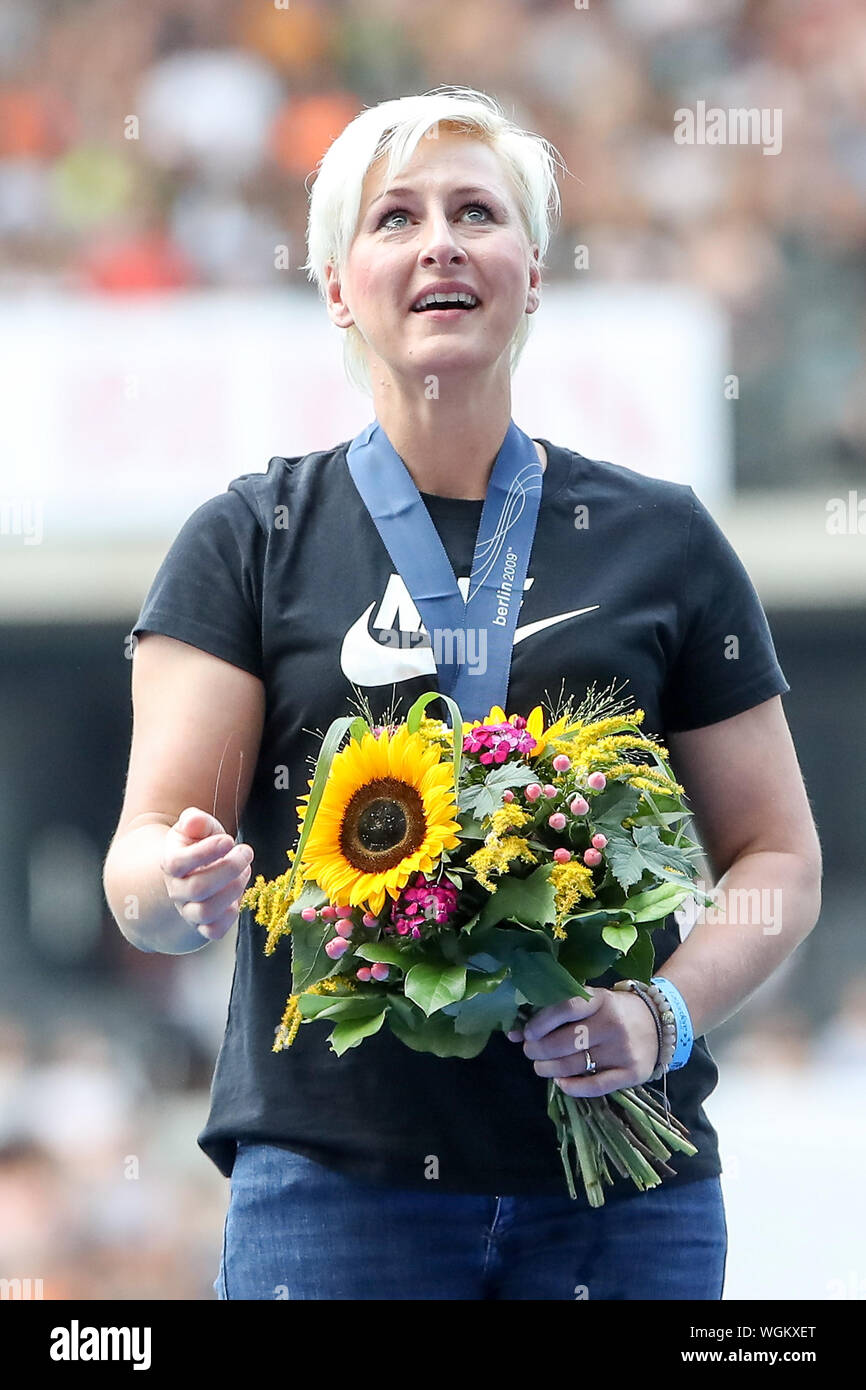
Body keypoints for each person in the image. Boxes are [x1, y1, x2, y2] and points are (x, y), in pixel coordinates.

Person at [102, 86, 822, 1301]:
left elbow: (777, 861)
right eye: (395, 218)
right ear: (338, 285)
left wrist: (660, 1012)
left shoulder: (662, 538)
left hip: (618, 1198)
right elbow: (139, 864)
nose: (438, 239)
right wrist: (176, 888)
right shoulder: (249, 538)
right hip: (339, 1189)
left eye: (474, 211)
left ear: (529, 273)